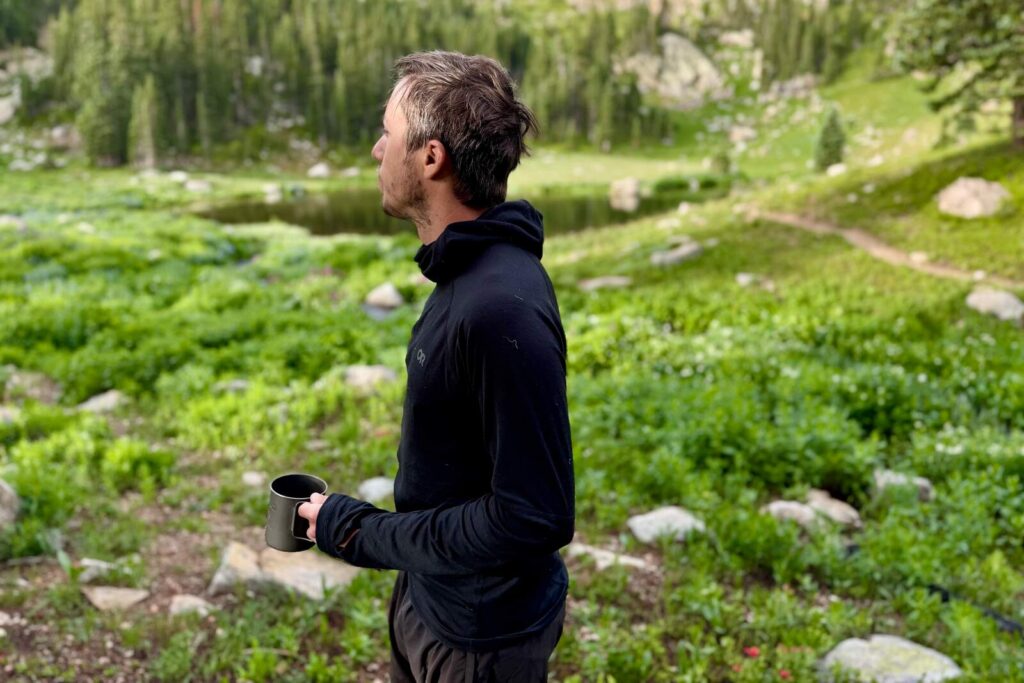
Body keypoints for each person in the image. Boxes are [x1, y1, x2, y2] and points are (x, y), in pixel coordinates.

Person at [297, 50, 575, 682]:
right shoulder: (469, 274)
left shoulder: (500, 305)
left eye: (389, 133)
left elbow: (535, 515)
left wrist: (358, 531)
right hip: (435, 600)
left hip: (478, 640)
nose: (376, 150)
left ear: (430, 158)